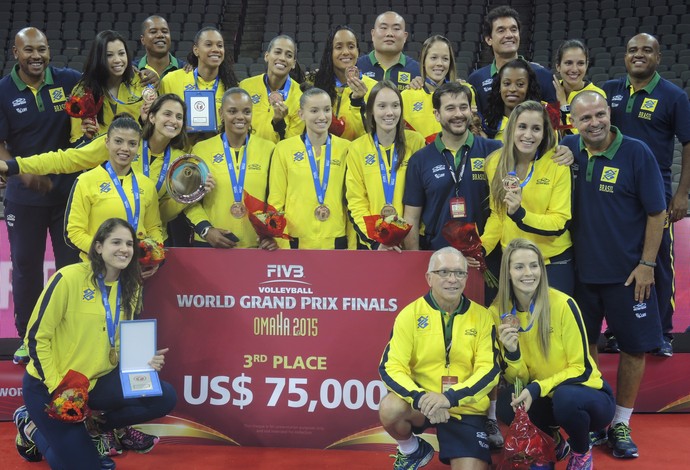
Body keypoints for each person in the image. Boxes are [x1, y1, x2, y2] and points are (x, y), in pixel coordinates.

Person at [13, 218, 177, 469]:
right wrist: (60, 389)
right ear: (98, 247)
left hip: (96, 381)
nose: (124, 249)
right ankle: (32, 428)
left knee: (164, 396)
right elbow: (36, 339)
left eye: (129, 244)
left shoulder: (130, 288)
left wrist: (143, 360)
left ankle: (94, 425)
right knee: (86, 466)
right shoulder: (68, 278)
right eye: (116, 242)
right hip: (50, 386)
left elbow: (119, 343)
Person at [561, 90, 666, 459]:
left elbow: (657, 213)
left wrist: (647, 265)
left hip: (628, 275)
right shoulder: (566, 150)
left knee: (635, 348)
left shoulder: (637, 152)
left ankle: (621, 422)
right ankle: (597, 420)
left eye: (600, 114)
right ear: (573, 121)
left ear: (610, 113)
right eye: (585, 118)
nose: (594, 123)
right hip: (581, 274)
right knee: (584, 349)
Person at [2, 95, 199, 247]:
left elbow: (160, 214)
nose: (173, 120)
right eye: (167, 114)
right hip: (105, 245)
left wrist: (187, 196)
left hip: (144, 248)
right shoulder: (124, 142)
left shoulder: (179, 161)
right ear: (153, 116)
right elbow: (66, 159)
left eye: (179, 117)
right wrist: (14, 166)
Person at [491, 238, 615, 470]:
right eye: (519, 267)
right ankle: (554, 443)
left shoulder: (563, 304)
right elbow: (518, 381)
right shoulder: (497, 313)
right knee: (507, 407)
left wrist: (537, 388)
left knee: (565, 398)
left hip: (586, 397)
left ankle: (581, 452)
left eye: (534, 265)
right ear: (507, 272)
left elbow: (582, 368)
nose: (528, 273)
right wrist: (513, 352)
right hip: (542, 400)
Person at [602, 33, 690, 357]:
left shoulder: (674, 96)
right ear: (625, 56)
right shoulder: (610, 91)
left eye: (646, 50)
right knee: (620, 260)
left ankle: (662, 333)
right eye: (632, 50)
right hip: (615, 192)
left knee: (659, 262)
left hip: (656, 192)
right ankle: (617, 330)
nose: (639, 55)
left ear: (658, 57)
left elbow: (688, 143)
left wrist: (682, 194)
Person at [0, 27, 81, 366]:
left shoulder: (69, 81)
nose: (37, 56)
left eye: (42, 49)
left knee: (71, 269)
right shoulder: (3, 91)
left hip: (67, 195)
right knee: (26, 269)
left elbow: (109, 83)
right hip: (24, 196)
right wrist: (19, 171)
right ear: (16, 53)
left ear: (50, 50)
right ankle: (27, 337)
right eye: (29, 50)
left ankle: (69, 333)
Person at [378, 246, 500, 469]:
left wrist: (450, 398)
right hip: (422, 404)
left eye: (459, 273)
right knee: (390, 408)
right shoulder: (409, 315)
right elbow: (391, 367)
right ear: (429, 278)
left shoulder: (482, 317)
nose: (452, 279)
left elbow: (489, 370)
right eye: (443, 272)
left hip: (465, 408)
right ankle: (411, 451)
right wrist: (421, 397)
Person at [482, 100, 573, 295]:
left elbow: (559, 221)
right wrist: (482, 248)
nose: (528, 135)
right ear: (511, 128)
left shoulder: (557, 163)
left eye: (536, 128)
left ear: (544, 132)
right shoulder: (494, 162)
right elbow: (497, 215)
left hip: (551, 261)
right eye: (522, 127)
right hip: (513, 261)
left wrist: (520, 214)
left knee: (552, 325)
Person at [403, 82, 503, 252]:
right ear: (437, 114)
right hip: (437, 255)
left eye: (463, 107)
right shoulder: (419, 160)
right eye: (450, 108)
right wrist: (415, 259)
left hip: (485, 255)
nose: (458, 114)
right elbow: (411, 217)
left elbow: (503, 208)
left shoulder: (494, 150)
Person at [185, 88, 276, 250]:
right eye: (232, 111)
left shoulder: (269, 149)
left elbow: (275, 198)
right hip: (211, 244)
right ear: (221, 113)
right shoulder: (201, 150)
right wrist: (206, 230)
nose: (240, 117)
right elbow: (189, 199)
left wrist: (271, 233)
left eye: (246, 111)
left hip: (256, 245)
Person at [64, 115, 163, 264]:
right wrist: (106, 253)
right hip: (94, 267)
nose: (125, 148)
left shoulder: (146, 185)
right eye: (118, 141)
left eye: (132, 143)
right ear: (107, 142)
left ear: (138, 146)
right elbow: (73, 232)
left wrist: (156, 256)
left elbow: (153, 228)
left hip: (134, 269)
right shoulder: (86, 181)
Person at [345, 80, 425, 250]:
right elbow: (356, 201)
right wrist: (378, 241)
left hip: (411, 243)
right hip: (373, 245)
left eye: (395, 106)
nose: (389, 112)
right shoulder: (357, 148)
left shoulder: (416, 142)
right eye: (382, 106)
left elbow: (425, 195)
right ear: (371, 111)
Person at [268, 87, 350, 249]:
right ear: (301, 114)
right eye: (314, 110)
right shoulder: (284, 149)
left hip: (336, 239)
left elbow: (351, 201)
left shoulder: (346, 149)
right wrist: (282, 244)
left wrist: (352, 245)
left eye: (327, 110)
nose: (322, 116)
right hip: (295, 240)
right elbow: (276, 201)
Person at [467, 5, 556, 117]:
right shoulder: (476, 79)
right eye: (501, 30)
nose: (509, 35)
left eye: (513, 29)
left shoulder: (543, 76)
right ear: (489, 39)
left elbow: (555, 124)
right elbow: (476, 125)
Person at [159, 26, 238, 144]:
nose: (216, 49)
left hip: (217, 156)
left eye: (220, 45)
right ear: (196, 50)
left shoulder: (232, 88)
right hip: (179, 153)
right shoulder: (171, 80)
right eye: (208, 44)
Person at [71, 30, 146, 144]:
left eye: (121, 53)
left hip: (136, 157)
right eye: (109, 55)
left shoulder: (141, 82)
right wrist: (87, 137)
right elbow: (76, 142)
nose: (117, 60)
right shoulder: (81, 92)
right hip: (98, 158)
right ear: (98, 58)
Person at [401, 35, 475, 144]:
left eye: (445, 58)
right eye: (434, 58)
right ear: (423, 60)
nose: (439, 63)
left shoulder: (466, 92)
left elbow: (475, 131)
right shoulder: (406, 96)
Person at [313, 25, 377, 141]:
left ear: (358, 51)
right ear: (330, 52)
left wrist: (358, 102)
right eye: (338, 47)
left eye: (351, 46)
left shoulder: (374, 88)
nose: (346, 52)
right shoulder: (317, 85)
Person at [239, 35, 304, 143]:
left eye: (288, 55)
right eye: (277, 52)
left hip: (278, 157)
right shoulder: (245, 86)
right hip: (247, 155)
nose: (282, 58)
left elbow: (292, 145)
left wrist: (279, 123)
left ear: (293, 63)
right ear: (267, 56)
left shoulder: (301, 97)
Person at [552, 39, 606, 135]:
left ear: (587, 65)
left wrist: (564, 105)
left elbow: (582, 137)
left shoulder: (596, 95)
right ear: (558, 66)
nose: (574, 69)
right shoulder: (550, 88)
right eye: (568, 63)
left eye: (580, 63)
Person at [357, 11, 421, 91]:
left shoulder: (418, 71)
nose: (389, 33)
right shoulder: (357, 67)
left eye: (396, 29)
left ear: (405, 37)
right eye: (383, 28)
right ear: (373, 34)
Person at [482, 58, 543, 141]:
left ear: (529, 87)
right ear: (499, 87)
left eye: (520, 84)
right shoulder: (487, 122)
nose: (512, 89)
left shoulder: (546, 113)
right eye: (507, 83)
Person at [136, 15, 185, 82]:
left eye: (165, 31)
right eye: (153, 32)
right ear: (142, 40)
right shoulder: (133, 70)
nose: (160, 35)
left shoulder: (185, 69)